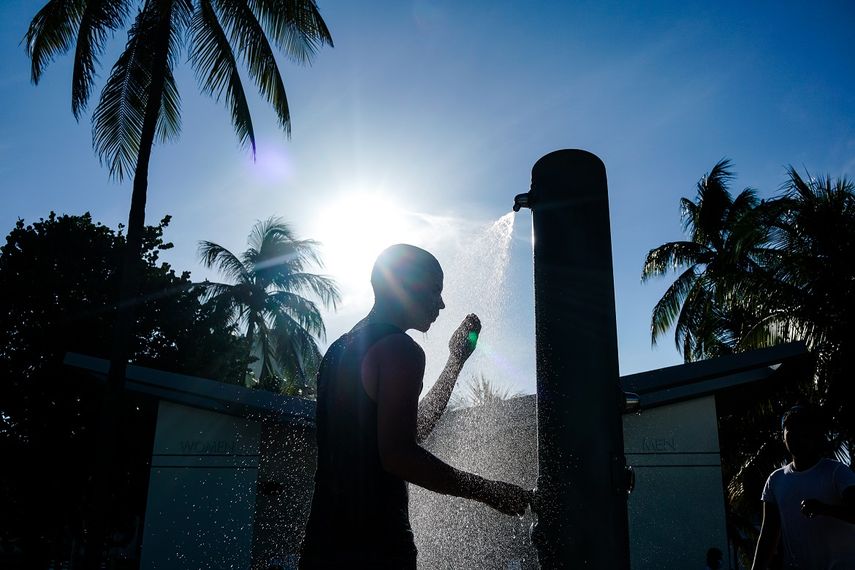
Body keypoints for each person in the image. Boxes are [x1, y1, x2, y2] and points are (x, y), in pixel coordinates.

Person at [299, 244, 530, 569]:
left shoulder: (337, 350)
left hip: (321, 544)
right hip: (377, 547)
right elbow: (399, 455)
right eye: (435, 290)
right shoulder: (400, 349)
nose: (441, 303)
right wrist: (488, 491)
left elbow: (409, 432)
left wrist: (455, 361)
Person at [751, 404, 855, 570]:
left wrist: (825, 509)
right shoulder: (775, 480)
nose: (797, 437)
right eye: (791, 431)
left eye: (803, 431)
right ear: (783, 437)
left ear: (815, 436)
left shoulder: (836, 472)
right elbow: (768, 536)